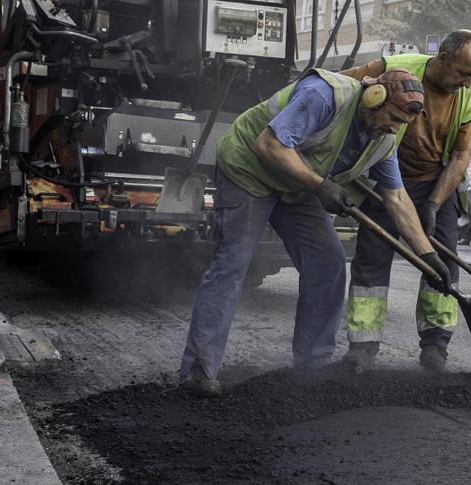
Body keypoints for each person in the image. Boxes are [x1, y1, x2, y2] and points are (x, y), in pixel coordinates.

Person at [179, 68, 452, 397]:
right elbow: (270, 145)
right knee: (234, 262)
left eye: (401, 124)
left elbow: (397, 199)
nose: (394, 128)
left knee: (328, 261)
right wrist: (321, 186)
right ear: (374, 97)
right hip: (249, 170)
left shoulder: (384, 140)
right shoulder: (325, 95)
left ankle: (313, 366)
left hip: (297, 185)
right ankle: (199, 370)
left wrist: (428, 256)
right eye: (392, 118)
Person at [338, 30, 471, 372]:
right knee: (371, 262)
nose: (467, 83)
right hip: (381, 181)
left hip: (434, 184)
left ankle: (435, 346)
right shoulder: (393, 68)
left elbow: (462, 156)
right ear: (443, 58)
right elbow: (339, 88)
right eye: (463, 73)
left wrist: (434, 204)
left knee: (443, 264)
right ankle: (362, 346)